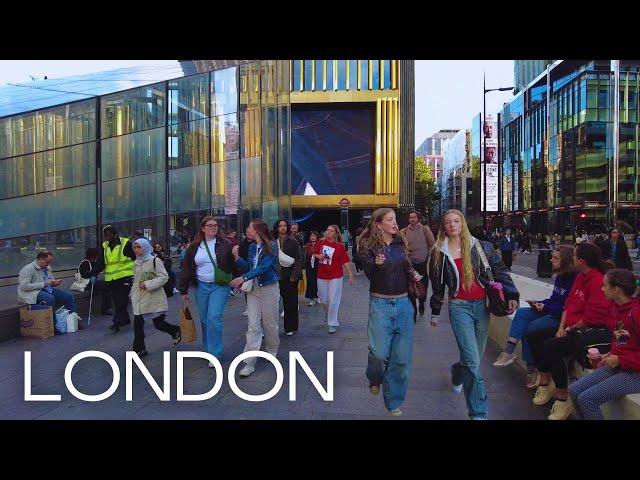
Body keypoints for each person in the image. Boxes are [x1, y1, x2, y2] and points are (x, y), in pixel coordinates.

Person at [428, 209, 519, 420]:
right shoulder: (439, 251)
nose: (452, 225)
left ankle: (457, 372)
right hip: (459, 308)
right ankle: (478, 412)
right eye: (448, 222)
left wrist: (512, 294)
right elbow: (438, 285)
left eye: (456, 221)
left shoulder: (481, 246)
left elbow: (500, 271)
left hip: (482, 306)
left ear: (463, 224)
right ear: (443, 226)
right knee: (472, 361)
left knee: (472, 361)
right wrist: (434, 312)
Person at [526, 242, 613, 420]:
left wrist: (570, 329)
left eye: (574, 256)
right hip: (569, 326)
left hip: (586, 331)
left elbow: (592, 318)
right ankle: (545, 380)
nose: (571, 257)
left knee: (552, 346)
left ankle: (562, 397)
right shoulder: (580, 277)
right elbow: (568, 304)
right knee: (534, 335)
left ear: (581, 261)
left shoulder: (597, 281)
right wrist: (561, 327)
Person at [359, 208, 418, 416]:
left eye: (395, 219)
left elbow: (406, 265)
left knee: (401, 360)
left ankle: (393, 401)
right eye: (390, 220)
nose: (395, 223)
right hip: (380, 304)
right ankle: (375, 377)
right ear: (378, 224)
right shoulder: (368, 246)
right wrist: (375, 264)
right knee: (378, 354)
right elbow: (368, 273)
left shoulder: (400, 243)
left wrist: (414, 273)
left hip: (403, 304)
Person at [493, 246, 577, 388]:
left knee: (530, 329)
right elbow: (554, 299)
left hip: (560, 317)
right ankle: (508, 352)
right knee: (522, 313)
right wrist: (540, 303)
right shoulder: (560, 276)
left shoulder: (574, 280)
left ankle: (532, 370)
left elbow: (566, 307)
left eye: (555, 258)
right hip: (550, 310)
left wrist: (545, 307)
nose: (551, 260)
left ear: (566, 260)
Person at [568, 269, 640, 420]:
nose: (602, 289)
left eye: (605, 286)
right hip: (622, 365)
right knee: (574, 390)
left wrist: (621, 360)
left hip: (635, 373)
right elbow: (623, 340)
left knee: (587, 399)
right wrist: (607, 355)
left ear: (616, 290)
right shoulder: (617, 309)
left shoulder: (635, 313)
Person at [179, 216, 239, 362]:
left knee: (213, 317)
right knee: (205, 319)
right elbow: (186, 267)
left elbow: (234, 263)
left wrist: (239, 280)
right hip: (201, 286)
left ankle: (215, 353)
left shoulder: (225, 244)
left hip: (220, 285)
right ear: (203, 228)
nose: (213, 227)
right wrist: (184, 290)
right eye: (210, 225)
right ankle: (209, 347)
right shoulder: (194, 247)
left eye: (215, 225)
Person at [230, 219, 280, 378]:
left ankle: (272, 350)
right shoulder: (252, 247)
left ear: (258, 230)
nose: (247, 231)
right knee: (253, 325)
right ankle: (249, 362)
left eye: (250, 228)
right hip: (254, 289)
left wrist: (243, 278)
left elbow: (264, 267)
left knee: (270, 322)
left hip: (269, 288)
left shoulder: (271, 245)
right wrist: (237, 258)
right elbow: (250, 268)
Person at [129, 237, 181, 357]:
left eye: (139, 247)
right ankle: (139, 349)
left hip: (154, 297)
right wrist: (132, 293)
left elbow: (164, 277)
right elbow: (136, 281)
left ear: (145, 247)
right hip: (139, 298)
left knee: (158, 324)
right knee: (138, 324)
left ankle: (175, 330)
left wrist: (148, 284)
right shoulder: (136, 263)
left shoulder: (155, 260)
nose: (136, 250)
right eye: (135, 247)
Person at [85, 225, 136, 332]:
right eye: (105, 236)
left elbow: (135, 258)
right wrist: (94, 274)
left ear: (115, 234)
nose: (107, 238)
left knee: (122, 301)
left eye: (109, 235)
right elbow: (101, 263)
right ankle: (125, 320)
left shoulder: (126, 244)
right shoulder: (105, 247)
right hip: (112, 279)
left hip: (125, 277)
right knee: (118, 301)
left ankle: (116, 323)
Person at [18, 251, 77, 334]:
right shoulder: (28, 269)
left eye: (50, 262)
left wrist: (55, 283)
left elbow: (50, 281)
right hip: (32, 292)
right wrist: (43, 284)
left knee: (68, 296)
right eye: (47, 262)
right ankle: (53, 325)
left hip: (47, 289)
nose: (48, 264)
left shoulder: (47, 268)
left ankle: (73, 321)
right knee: (50, 298)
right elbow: (24, 286)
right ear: (41, 259)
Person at [312, 224, 354, 334]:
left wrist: (350, 274)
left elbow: (345, 261)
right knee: (323, 299)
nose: (328, 232)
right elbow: (314, 253)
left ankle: (332, 323)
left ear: (335, 233)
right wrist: (318, 256)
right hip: (322, 275)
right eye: (327, 230)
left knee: (333, 300)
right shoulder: (320, 243)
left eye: (331, 231)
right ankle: (327, 311)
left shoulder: (339, 246)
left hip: (336, 275)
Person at [400, 210, 435, 320]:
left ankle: (422, 302)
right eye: (411, 217)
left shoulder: (425, 230)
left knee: (423, 287)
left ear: (418, 218)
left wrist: (429, 256)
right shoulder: (404, 231)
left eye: (414, 217)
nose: (412, 219)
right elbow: (401, 246)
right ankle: (413, 311)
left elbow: (432, 245)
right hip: (411, 265)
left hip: (423, 263)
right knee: (411, 288)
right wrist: (406, 253)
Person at [274, 219, 302, 335]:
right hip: (275, 276)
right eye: (280, 226)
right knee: (272, 304)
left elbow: (299, 259)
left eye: (285, 225)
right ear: (277, 228)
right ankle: (271, 328)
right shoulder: (272, 241)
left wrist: (294, 275)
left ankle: (290, 328)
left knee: (290, 303)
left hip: (289, 276)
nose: (283, 228)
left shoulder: (293, 241)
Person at [79, 247, 112, 315]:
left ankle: (106, 308)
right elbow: (84, 274)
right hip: (86, 283)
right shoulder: (85, 263)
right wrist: (92, 274)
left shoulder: (92, 262)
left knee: (105, 286)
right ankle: (105, 309)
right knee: (106, 286)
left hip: (90, 282)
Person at [238, 226, 255, 316]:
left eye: (250, 232)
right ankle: (249, 307)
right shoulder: (242, 244)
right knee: (247, 288)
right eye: (247, 232)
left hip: (254, 268)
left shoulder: (257, 243)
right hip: (245, 268)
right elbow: (240, 256)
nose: (249, 234)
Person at [303, 231, 320, 306]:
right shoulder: (307, 245)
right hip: (309, 266)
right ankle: (312, 298)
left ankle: (319, 296)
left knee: (319, 281)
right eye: (311, 236)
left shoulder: (320, 244)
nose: (312, 237)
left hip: (318, 265)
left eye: (314, 236)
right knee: (310, 281)